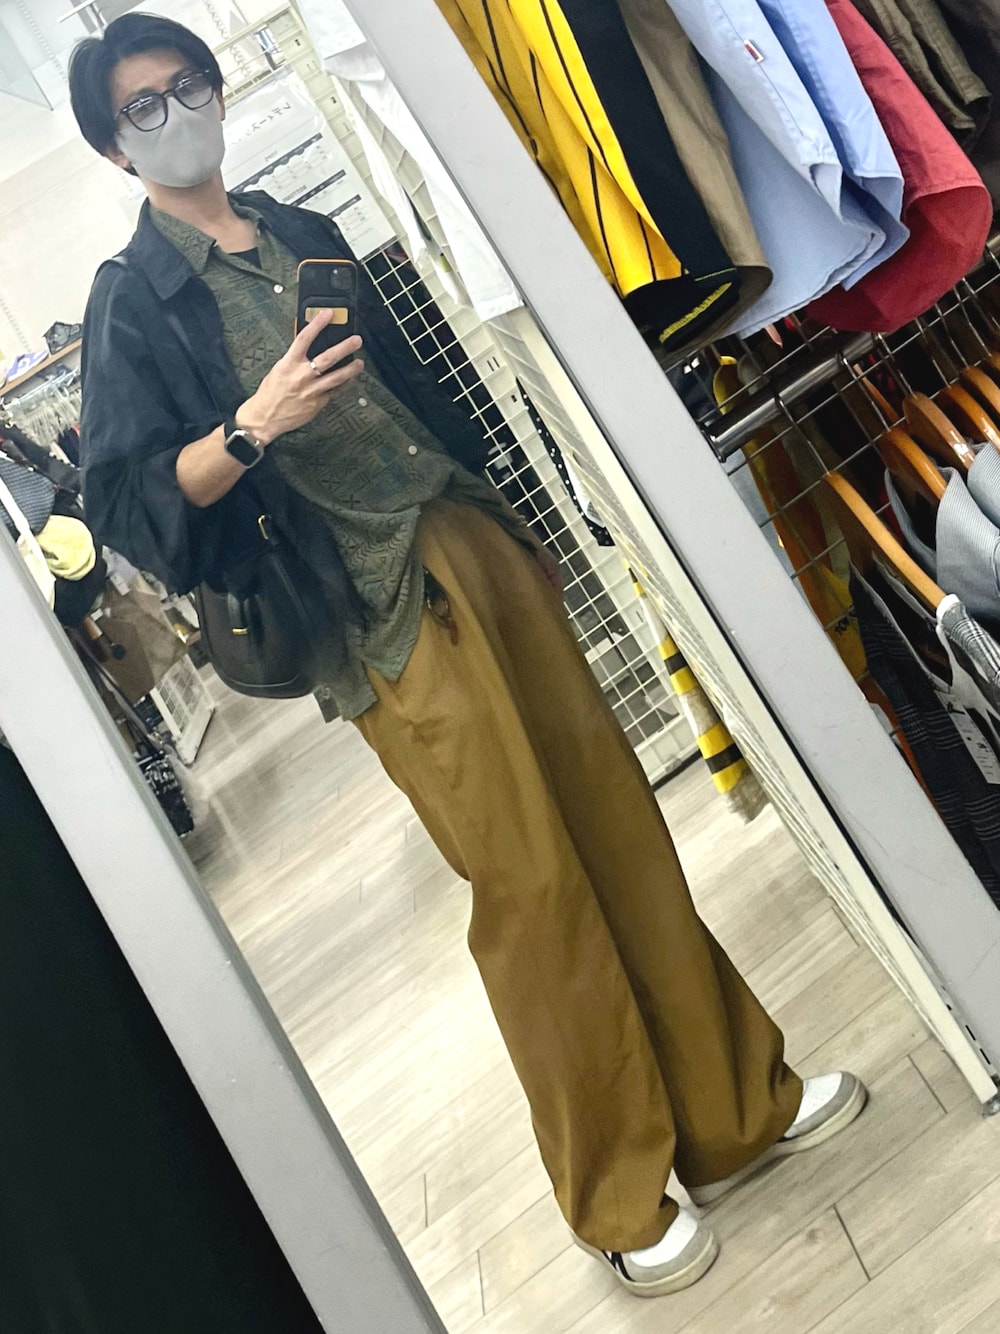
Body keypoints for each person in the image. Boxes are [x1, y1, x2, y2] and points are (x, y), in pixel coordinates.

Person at [69, 13, 867, 1299]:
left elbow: (419, 391)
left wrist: (514, 519)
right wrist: (252, 423)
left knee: (615, 822)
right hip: (375, 613)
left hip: (471, 539)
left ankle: (731, 1114)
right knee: (530, 884)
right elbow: (127, 507)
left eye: (186, 87)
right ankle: (615, 1193)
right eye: (141, 109)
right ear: (113, 148)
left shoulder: (296, 225)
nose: (175, 117)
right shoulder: (132, 303)